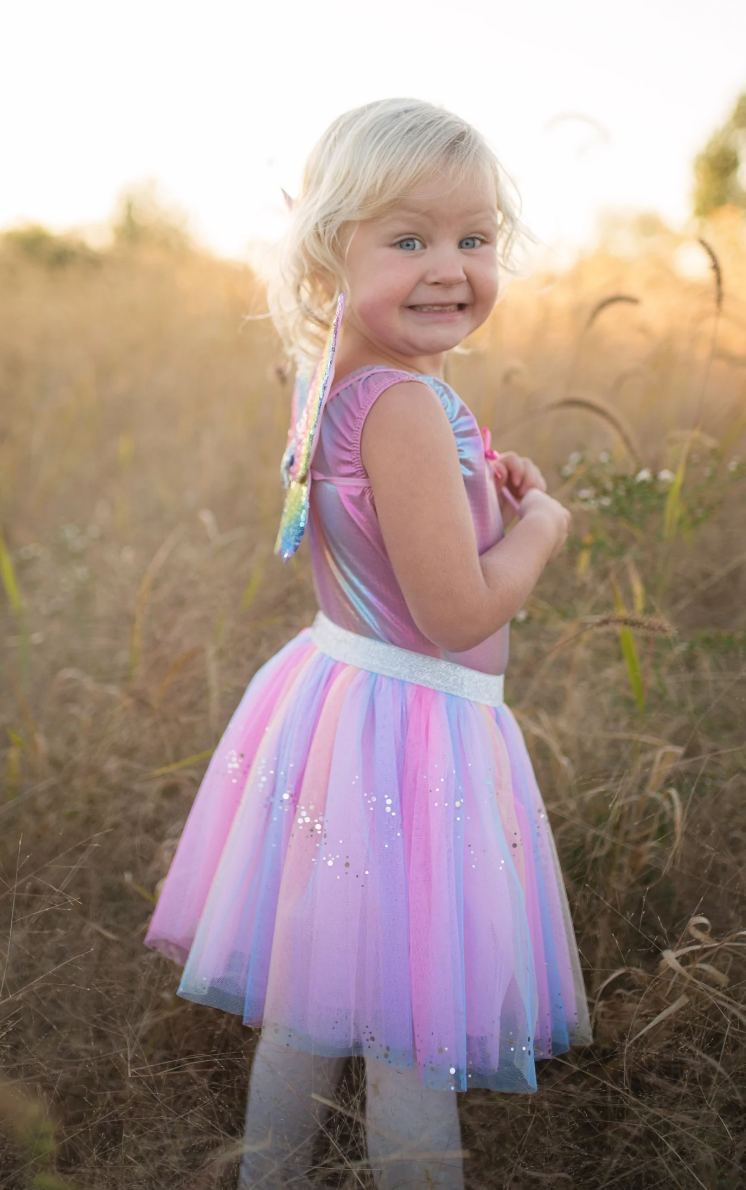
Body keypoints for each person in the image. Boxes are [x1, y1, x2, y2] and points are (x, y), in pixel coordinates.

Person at [145, 97, 592, 1190]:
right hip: (411, 735)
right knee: (409, 1021)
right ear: (328, 246)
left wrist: (477, 488)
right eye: (408, 239)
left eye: (473, 238)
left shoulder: (340, 369)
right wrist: (539, 523)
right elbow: (454, 612)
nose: (450, 268)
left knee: (315, 991)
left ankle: (272, 1170)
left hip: (344, 705)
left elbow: (378, 530)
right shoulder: (398, 400)